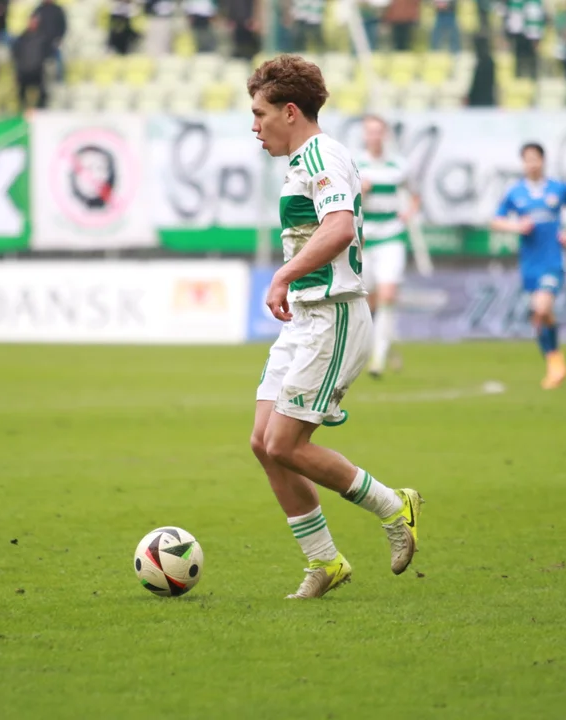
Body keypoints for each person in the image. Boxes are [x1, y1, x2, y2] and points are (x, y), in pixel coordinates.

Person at [247, 55, 423, 600]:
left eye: (259, 114)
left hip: (334, 314)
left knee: (285, 443)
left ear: (290, 111)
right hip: (305, 317)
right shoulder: (303, 159)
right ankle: (325, 561)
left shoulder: (323, 154)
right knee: (263, 443)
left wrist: (283, 274)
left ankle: (394, 505)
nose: (254, 126)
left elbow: (340, 227)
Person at [489, 143, 566, 390]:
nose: (531, 164)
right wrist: (517, 227)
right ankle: (555, 361)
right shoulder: (515, 193)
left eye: (535, 159)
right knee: (542, 315)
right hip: (530, 263)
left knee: (541, 308)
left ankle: (554, 363)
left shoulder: (558, 189)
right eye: (527, 160)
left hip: (553, 260)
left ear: (543, 161)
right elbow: (496, 221)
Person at [357, 114, 420, 378]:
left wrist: (408, 213)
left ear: (385, 135)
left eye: (378, 131)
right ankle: (384, 339)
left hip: (391, 235)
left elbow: (415, 195)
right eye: (369, 131)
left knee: (388, 294)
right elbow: (344, 198)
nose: (374, 136)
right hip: (365, 237)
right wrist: (359, 190)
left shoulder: (398, 165)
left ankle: (378, 359)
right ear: (364, 135)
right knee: (368, 299)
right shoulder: (355, 163)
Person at [12, 14, 49, 109]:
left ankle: (40, 110)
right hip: (24, 70)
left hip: (37, 70)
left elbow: (46, 53)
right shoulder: (22, 38)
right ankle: (23, 110)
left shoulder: (42, 37)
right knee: (21, 94)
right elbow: (16, 53)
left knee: (42, 94)